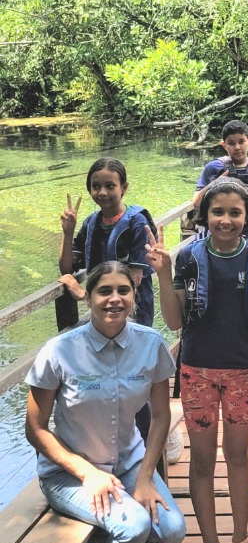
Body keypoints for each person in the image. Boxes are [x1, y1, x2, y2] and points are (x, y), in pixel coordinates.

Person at [147, 178, 248, 543]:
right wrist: (163, 272)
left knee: (238, 456)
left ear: (247, 217)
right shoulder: (190, 257)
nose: (226, 220)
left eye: (235, 212)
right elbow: (174, 323)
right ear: (204, 216)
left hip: (242, 370)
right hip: (198, 370)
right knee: (201, 461)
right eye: (218, 212)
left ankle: (241, 540)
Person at [24, 261, 186, 543]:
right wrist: (85, 472)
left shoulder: (150, 344)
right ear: (89, 296)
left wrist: (146, 477)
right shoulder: (60, 351)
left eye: (123, 291)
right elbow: (34, 427)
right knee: (133, 526)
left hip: (129, 463)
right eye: (104, 291)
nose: (114, 299)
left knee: (173, 530)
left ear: (133, 296)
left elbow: (161, 417)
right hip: (70, 474)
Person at [58, 158, 158, 440]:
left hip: (133, 311)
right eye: (95, 186)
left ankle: (150, 442)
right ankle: (112, 440)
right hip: (101, 313)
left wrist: (85, 294)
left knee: (134, 378)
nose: (102, 193)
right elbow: (67, 268)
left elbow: (134, 279)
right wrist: (67, 233)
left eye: (109, 186)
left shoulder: (136, 223)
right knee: (105, 378)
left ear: (123, 187)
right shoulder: (91, 223)